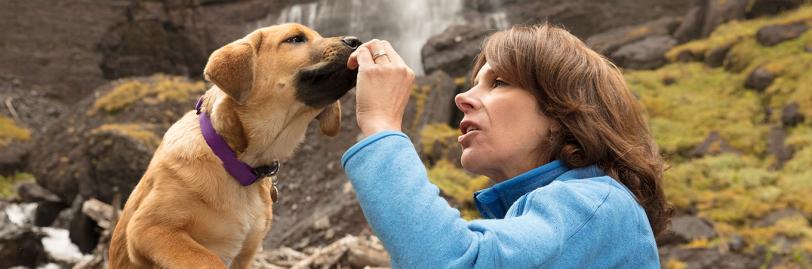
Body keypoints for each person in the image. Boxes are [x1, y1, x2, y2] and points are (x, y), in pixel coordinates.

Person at [343, 23, 671, 268]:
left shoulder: (596, 202)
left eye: (498, 82)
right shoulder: (562, 215)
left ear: (562, 112)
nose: (462, 98)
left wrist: (381, 123)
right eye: (474, 85)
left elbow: (456, 261)